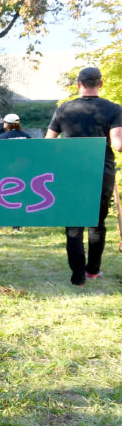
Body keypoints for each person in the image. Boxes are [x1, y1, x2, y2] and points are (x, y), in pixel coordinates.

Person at [45, 66, 122, 285]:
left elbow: (48, 143)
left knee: (73, 224)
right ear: (101, 83)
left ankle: (77, 276)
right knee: (97, 224)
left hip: (70, 173)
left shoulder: (63, 110)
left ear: (78, 84)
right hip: (101, 171)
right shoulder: (114, 109)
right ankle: (93, 271)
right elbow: (118, 145)